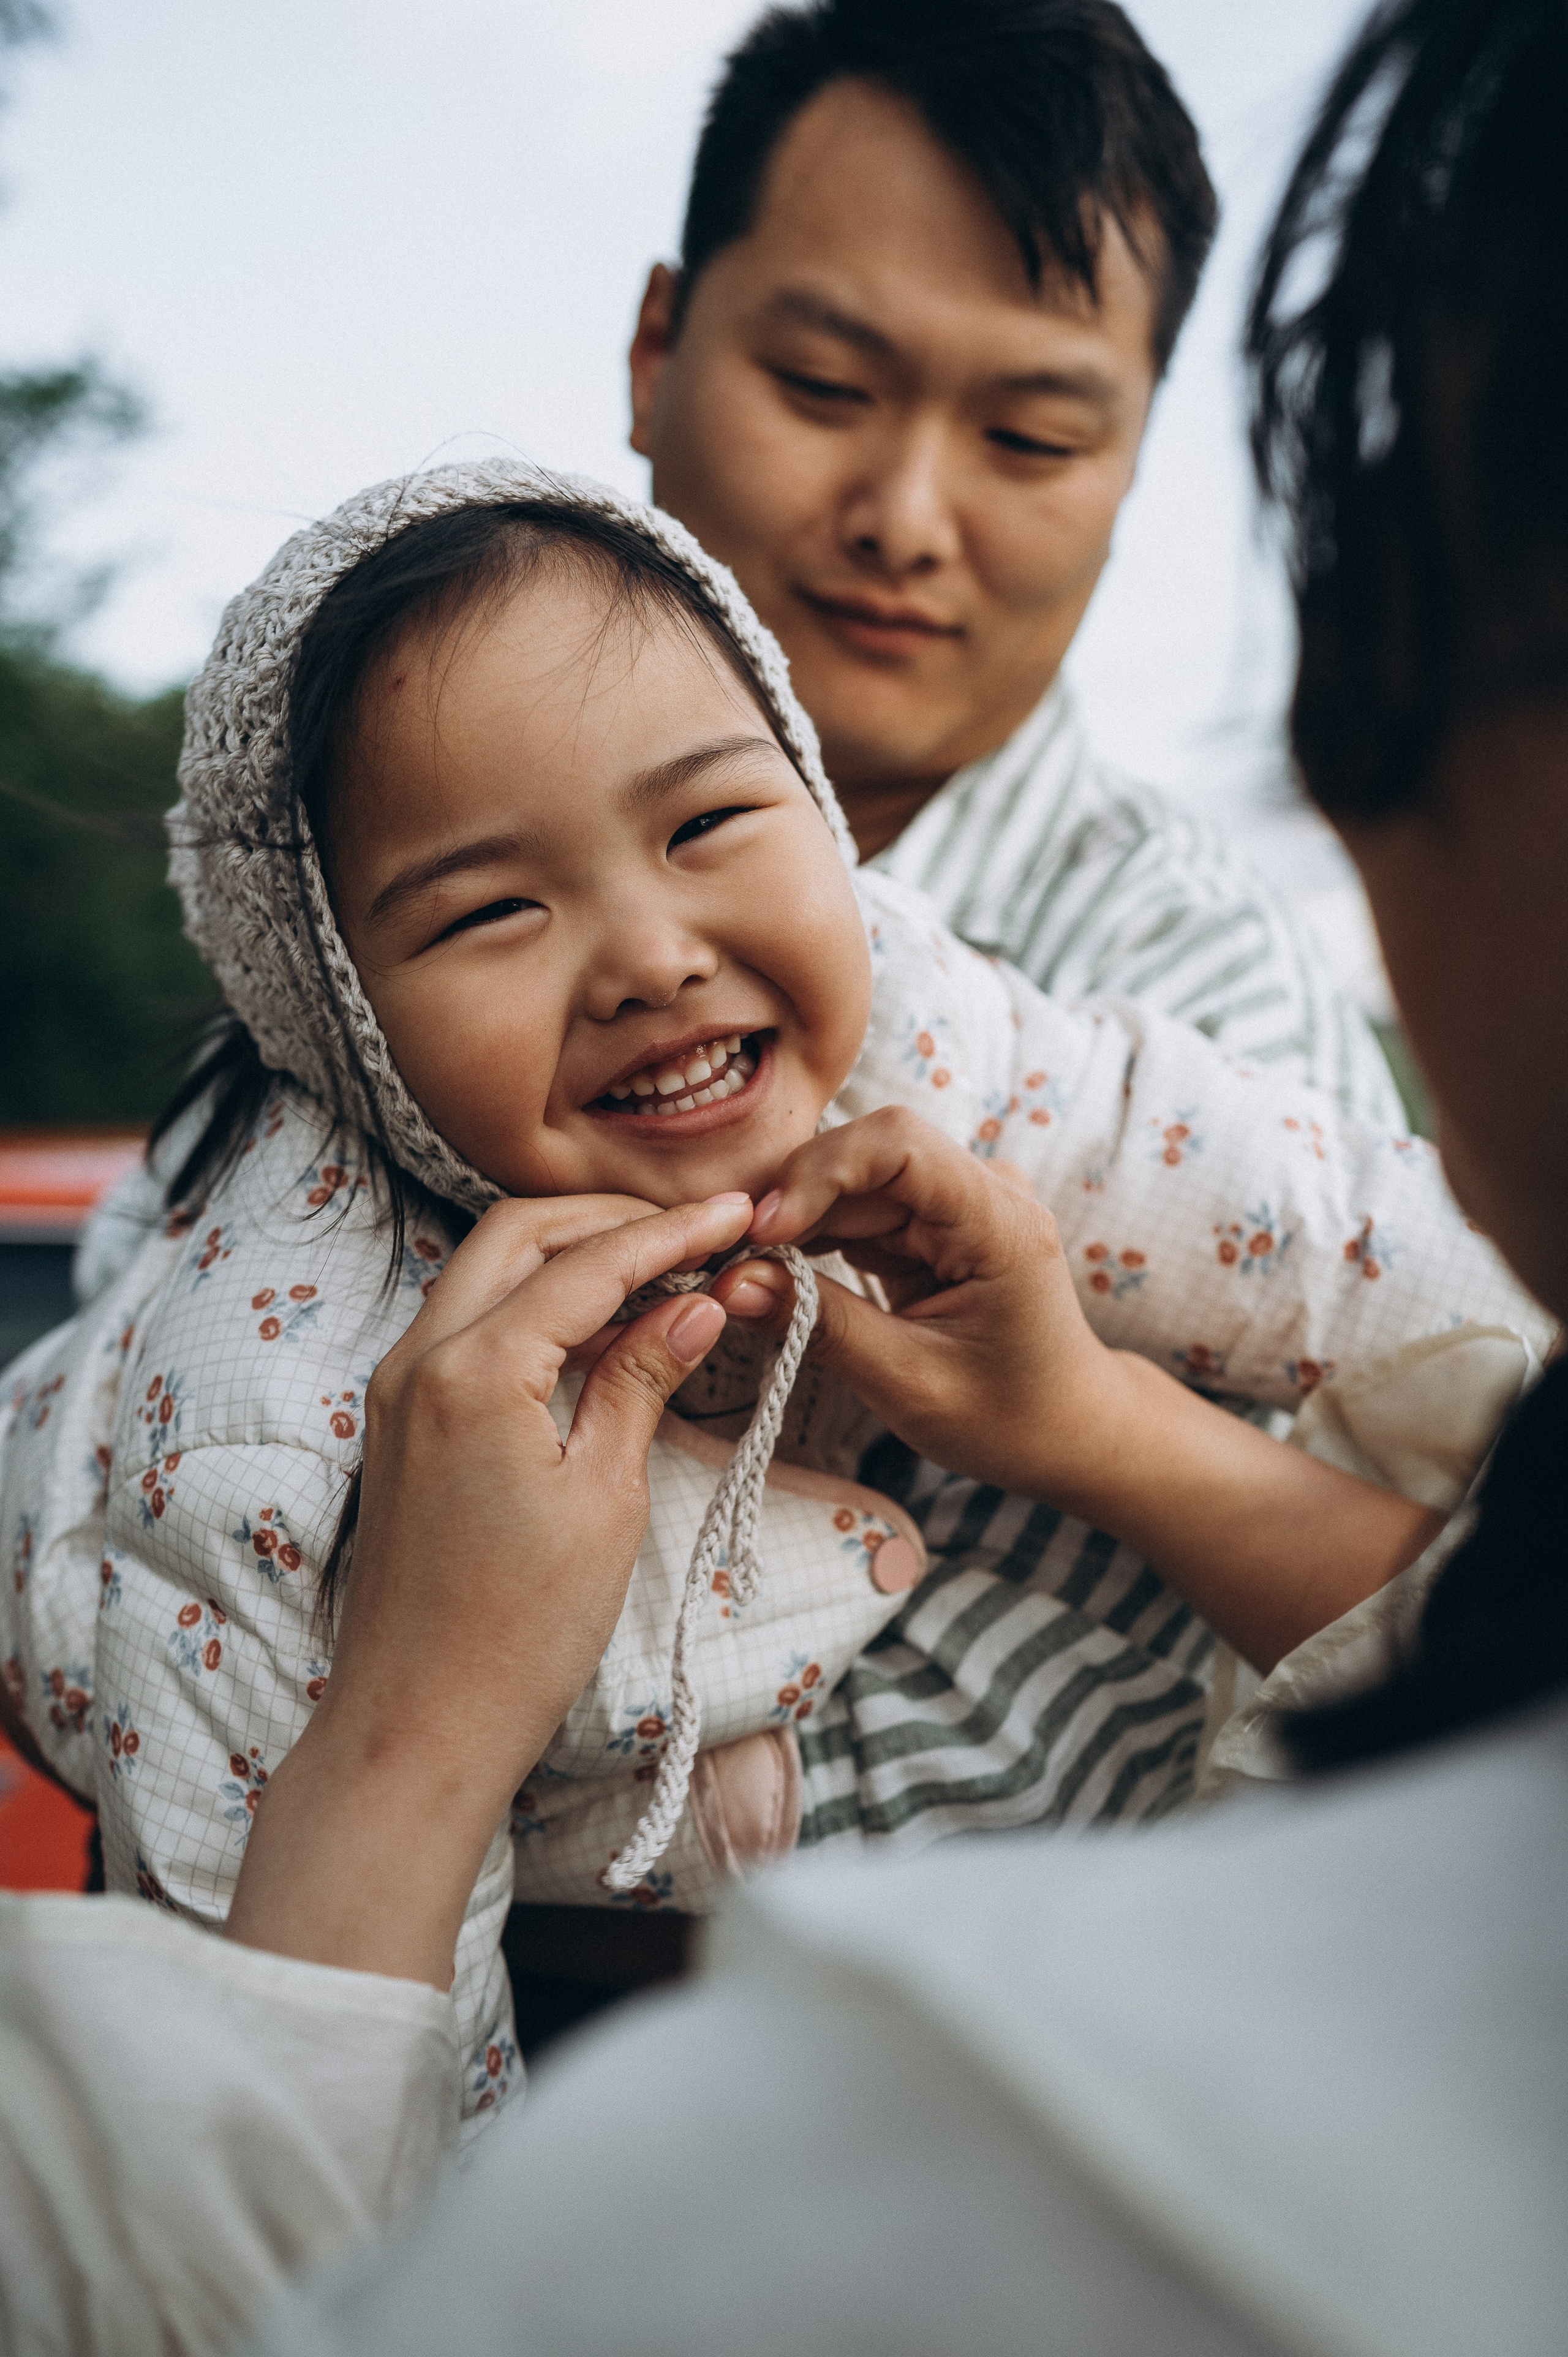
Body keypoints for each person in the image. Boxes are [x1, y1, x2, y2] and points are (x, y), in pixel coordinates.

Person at [239, 0, 1564, 2346]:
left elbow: (1474, 1640)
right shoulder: (323, 947)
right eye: (827, 387)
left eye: (1035, 427)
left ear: (1142, 465)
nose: (906, 513)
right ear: (655, 348)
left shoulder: (1190, 1008)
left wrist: (1091, 1421)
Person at [0, 459, 1539, 2125]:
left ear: (811, 803)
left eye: (710, 824)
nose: (654, 953)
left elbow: (1309, 1213)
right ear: (335, 1009)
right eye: (495, 910)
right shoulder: (265, 1395)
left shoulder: (925, 1020)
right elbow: (266, 2063)